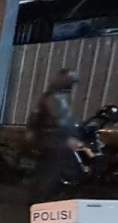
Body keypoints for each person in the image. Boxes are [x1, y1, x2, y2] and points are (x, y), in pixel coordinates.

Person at [29, 70, 82, 201]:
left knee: (47, 172)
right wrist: (69, 137)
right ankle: (42, 203)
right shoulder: (55, 98)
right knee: (50, 173)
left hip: (49, 140)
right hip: (54, 141)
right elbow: (60, 120)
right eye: (70, 82)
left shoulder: (51, 96)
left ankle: (40, 200)